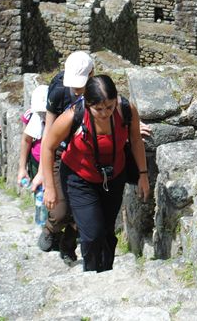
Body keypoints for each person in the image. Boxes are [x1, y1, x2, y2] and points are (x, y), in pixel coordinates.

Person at [41, 75, 150, 272]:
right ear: (87, 103)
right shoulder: (73, 115)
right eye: (98, 109)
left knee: (107, 231)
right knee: (92, 234)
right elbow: (48, 147)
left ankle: (106, 271)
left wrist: (143, 174)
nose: (105, 113)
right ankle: (91, 273)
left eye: (109, 107)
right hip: (79, 177)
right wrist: (49, 187)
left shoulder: (126, 109)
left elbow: (135, 141)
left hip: (114, 176)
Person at [31, 51, 95, 264]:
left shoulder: (100, 90)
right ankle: (51, 229)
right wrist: (43, 174)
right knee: (59, 211)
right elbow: (48, 135)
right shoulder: (58, 91)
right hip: (59, 153)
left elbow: (116, 108)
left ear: (92, 75)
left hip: (86, 156)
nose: (76, 90)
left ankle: (68, 245)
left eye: (81, 85)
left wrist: (134, 123)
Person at [18, 85, 49, 185]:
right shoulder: (30, 115)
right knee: (39, 196)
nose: (43, 114)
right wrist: (22, 168)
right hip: (36, 161)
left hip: (54, 164)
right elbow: (26, 139)